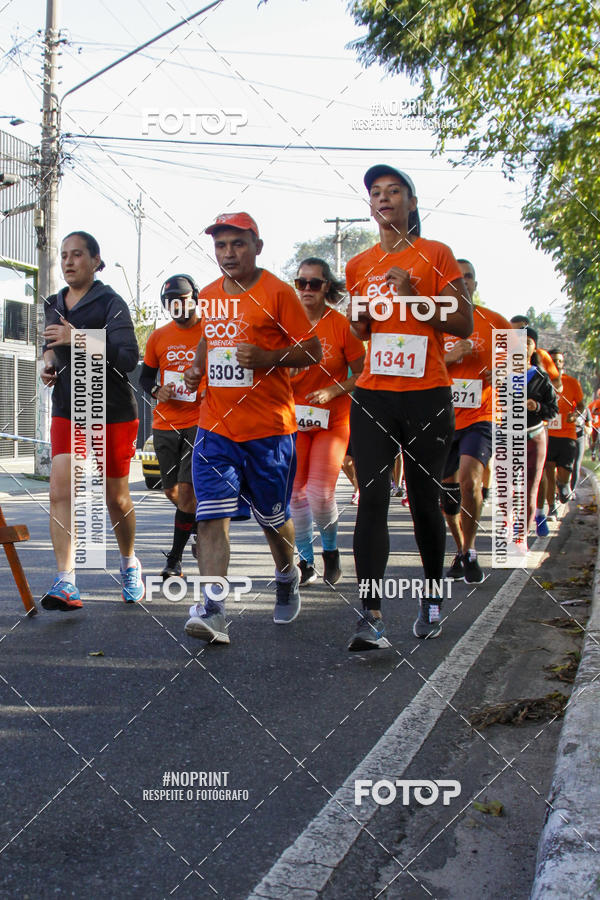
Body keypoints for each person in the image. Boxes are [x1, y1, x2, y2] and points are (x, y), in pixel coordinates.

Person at [346, 165, 472, 647]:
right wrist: (357, 321)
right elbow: (363, 330)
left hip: (427, 395)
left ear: (411, 203)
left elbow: (461, 321)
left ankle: (433, 595)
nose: (384, 198)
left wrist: (418, 298)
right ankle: (371, 614)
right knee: (373, 499)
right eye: (376, 193)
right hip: (375, 393)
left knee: (423, 500)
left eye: (393, 191)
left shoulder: (437, 254)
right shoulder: (359, 265)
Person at [183, 212, 322, 643]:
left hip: (269, 430)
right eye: (221, 245)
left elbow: (312, 351)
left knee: (271, 518)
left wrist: (266, 358)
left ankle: (287, 572)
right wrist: (196, 367)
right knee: (211, 518)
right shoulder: (207, 294)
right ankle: (213, 609)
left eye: (237, 244)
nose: (228, 253)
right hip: (216, 427)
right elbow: (209, 338)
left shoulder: (278, 293)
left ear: (257, 246)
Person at [40, 231, 143, 610]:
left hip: (110, 411)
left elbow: (128, 357)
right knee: (60, 490)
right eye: (64, 255)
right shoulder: (53, 303)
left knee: (115, 498)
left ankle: (129, 562)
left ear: (96, 260)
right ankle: (66, 580)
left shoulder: (111, 302)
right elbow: (51, 348)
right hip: (69, 408)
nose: (68, 261)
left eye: (77, 254)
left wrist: (76, 337)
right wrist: (48, 364)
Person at [290, 258, 365, 586]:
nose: (306, 289)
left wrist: (333, 389)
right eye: (301, 282)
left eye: (314, 283)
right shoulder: (284, 325)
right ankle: (305, 561)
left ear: (327, 287)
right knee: (295, 495)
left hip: (333, 420)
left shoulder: (341, 326)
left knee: (320, 493)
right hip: (293, 420)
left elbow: (363, 372)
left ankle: (331, 553)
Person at [442, 258, 511, 583]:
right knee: (448, 496)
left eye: (467, 277)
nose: (463, 283)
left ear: (475, 285)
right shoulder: (434, 322)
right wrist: (449, 357)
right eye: (456, 278)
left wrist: (498, 373)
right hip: (442, 418)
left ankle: (469, 549)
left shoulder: (496, 322)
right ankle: (460, 550)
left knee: (471, 481)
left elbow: (516, 372)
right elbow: (415, 366)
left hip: (481, 415)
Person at [140, 274, 203, 577]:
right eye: (170, 302)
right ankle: (196, 523)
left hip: (200, 420)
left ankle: (174, 561)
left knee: (189, 490)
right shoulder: (158, 337)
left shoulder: (210, 332)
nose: (176, 305)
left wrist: (209, 390)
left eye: (182, 299)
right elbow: (145, 379)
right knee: (171, 491)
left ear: (195, 298)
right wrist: (156, 391)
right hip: (165, 423)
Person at [542, 348, 584, 514]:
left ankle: (564, 484)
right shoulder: (542, 382)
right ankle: (551, 507)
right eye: (553, 360)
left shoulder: (572, 382)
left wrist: (574, 415)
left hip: (568, 434)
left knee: (565, 472)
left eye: (559, 361)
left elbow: (580, 405)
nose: (557, 364)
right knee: (548, 472)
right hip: (548, 434)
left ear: (563, 363)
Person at [524, 328, 558, 535]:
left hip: (534, 434)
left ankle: (528, 527)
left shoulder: (541, 377)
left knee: (531, 484)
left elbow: (552, 410)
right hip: (507, 436)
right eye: (518, 342)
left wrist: (536, 407)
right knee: (508, 487)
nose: (523, 346)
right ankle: (508, 528)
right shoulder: (501, 373)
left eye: (527, 342)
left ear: (534, 346)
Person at [588, 389, 600, 461]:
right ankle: (593, 453)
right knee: (594, 441)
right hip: (595, 425)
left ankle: (597, 455)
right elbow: (593, 411)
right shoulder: (597, 402)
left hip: (597, 425)